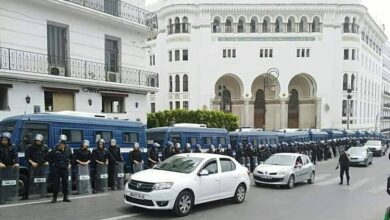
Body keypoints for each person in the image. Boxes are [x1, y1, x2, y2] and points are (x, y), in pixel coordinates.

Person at [24, 134, 49, 199]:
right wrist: (32, 163)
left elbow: (47, 156)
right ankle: (30, 194)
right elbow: (27, 157)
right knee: (32, 180)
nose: (38, 142)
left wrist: (47, 161)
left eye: (39, 141)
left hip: (43, 166)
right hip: (34, 166)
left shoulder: (45, 147)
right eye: (37, 141)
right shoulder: (30, 147)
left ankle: (43, 193)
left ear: (42, 141)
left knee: (43, 180)